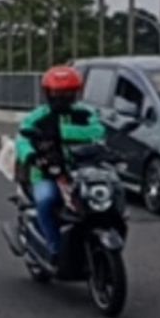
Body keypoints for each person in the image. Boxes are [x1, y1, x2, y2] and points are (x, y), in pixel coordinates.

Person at [15, 66, 106, 260]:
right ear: (48, 93)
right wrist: (31, 156)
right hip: (48, 173)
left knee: (107, 198)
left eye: (68, 93)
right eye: (57, 93)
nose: (62, 97)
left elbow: (98, 132)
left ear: (76, 93)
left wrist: (62, 132)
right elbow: (22, 138)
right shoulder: (37, 117)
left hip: (82, 171)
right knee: (46, 200)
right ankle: (54, 248)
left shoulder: (86, 113)